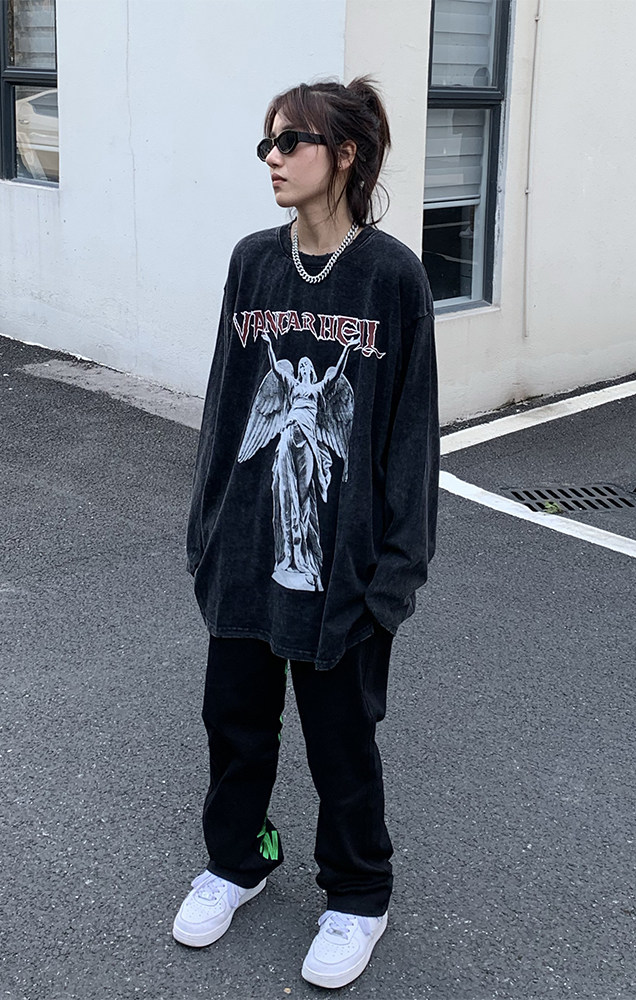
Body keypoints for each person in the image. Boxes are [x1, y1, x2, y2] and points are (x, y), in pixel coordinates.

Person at [174, 77, 439, 989]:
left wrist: (395, 574)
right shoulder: (253, 261)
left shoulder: (391, 277)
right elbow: (225, 403)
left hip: (346, 566)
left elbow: (411, 430)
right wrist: (206, 533)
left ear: (346, 155)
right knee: (234, 721)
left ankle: (359, 895)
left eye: (292, 142)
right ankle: (238, 861)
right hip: (246, 550)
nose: (274, 158)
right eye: (268, 143)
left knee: (341, 740)